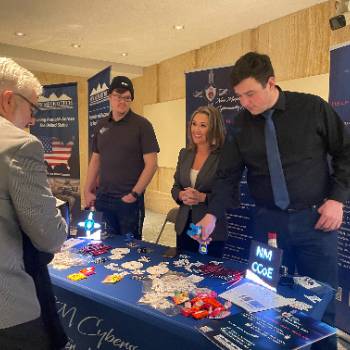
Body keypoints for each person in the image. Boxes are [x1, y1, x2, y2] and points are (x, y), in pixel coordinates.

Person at [197, 51, 350, 348]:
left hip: (316, 220)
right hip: (268, 223)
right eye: (240, 96)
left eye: (251, 94)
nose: (245, 103)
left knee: (320, 299)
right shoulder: (240, 124)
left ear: (271, 82)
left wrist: (337, 199)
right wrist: (213, 214)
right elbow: (228, 175)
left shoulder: (312, 108)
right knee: (264, 296)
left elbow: (346, 152)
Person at [0, 57, 68, 349]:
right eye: (32, 107)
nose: (32, 119)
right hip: (10, 308)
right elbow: (50, 236)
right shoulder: (21, 145)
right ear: (7, 100)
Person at [84, 76, 159, 240]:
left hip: (129, 202)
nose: (122, 101)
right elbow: (95, 160)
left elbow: (151, 164)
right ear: (110, 97)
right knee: (102, 245)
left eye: (127, 98)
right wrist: (87, 190)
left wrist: (134, 194)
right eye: (118, 96)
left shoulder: (142, 126)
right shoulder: (101, 125)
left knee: (130, 250)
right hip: (103, 199)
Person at [171, 105, 227, 257]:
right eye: (194, 124)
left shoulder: (224, 157)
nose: (196, 130)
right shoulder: (184, 154)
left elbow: (229, 195)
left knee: (207, 274)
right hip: (184, 225)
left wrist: (202, 197)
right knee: (182, 271)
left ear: (214, 128)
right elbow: (175, 187)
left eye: (203, 125)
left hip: (209, 228)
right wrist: (182, 195)